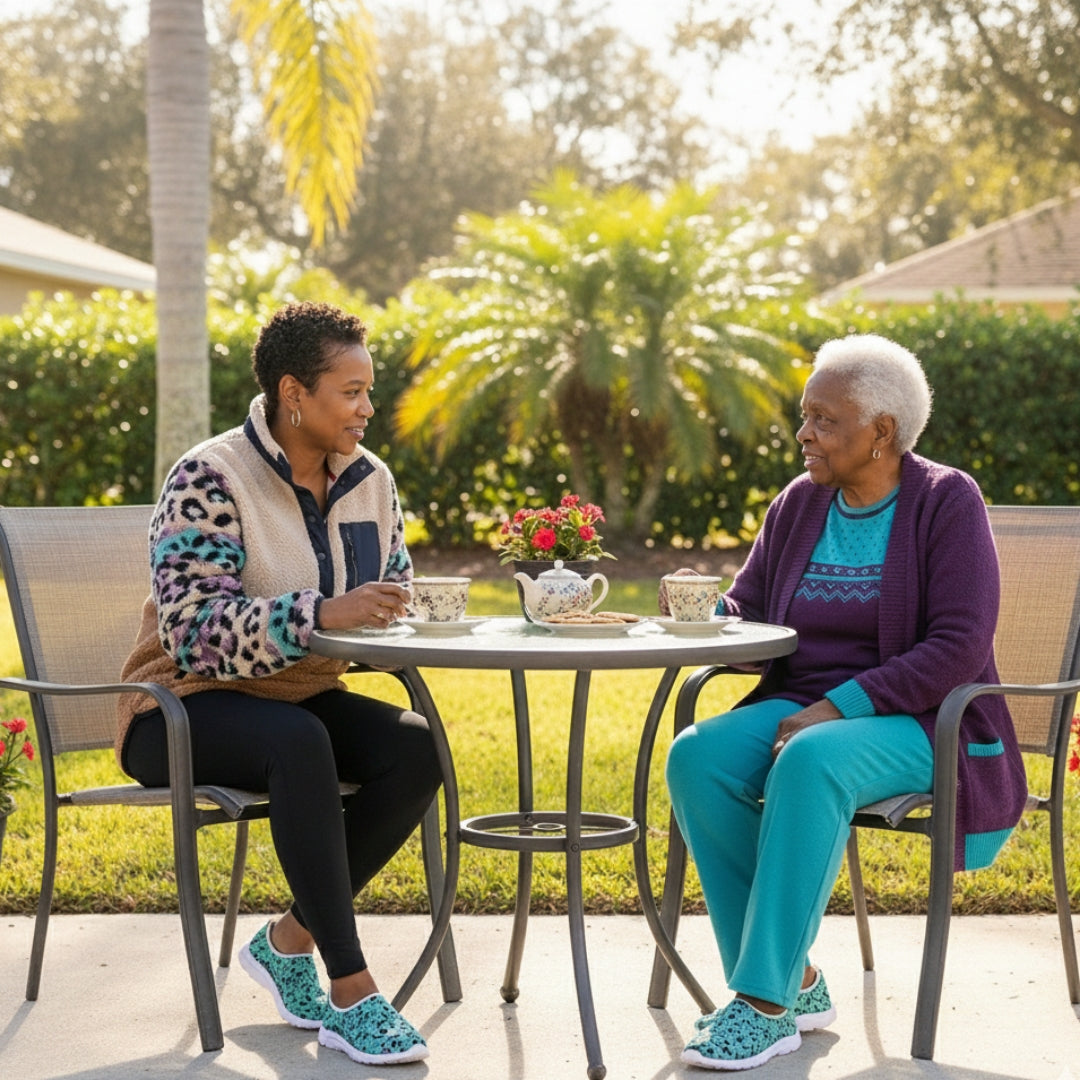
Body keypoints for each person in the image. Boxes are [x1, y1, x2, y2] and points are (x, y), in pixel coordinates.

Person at [663, 333, 1027, 1071]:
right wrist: (706, 612)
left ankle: (761, 1007)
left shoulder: (946, 502)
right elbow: (756, 608)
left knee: (810, 758)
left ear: (882, 432)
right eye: (806, 417)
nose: (804, 434)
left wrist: (839, 706)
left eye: (824, 420)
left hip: (928, 720)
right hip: (804, 706)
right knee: (697, 756)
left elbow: (959, 646)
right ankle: (791, 983)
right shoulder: (800, 503)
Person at [116, 301, 439, 1066]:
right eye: (351, 392)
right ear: (295, 393)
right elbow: (190, 631)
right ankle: (353, 991)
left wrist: (399, 622)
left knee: (417, 750)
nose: (368, 408)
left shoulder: (371, 481)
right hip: (178, 706)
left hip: (302, 695)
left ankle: (286, 941)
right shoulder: (208, 476)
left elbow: (393, 591)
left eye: (369, 390)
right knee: (300, 745)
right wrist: (326, 611)